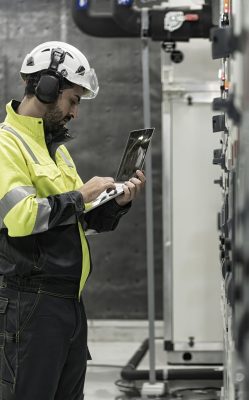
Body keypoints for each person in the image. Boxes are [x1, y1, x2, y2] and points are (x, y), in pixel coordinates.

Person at [0, 41, 146, 399]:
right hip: (30, 305)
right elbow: (21, 217)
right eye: (73, 100)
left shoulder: (56, 151)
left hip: (67, 304)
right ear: (47, 88)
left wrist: (115, 204)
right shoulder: (6, 145)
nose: (75, 113)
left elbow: (73, 220)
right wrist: (81, 195)